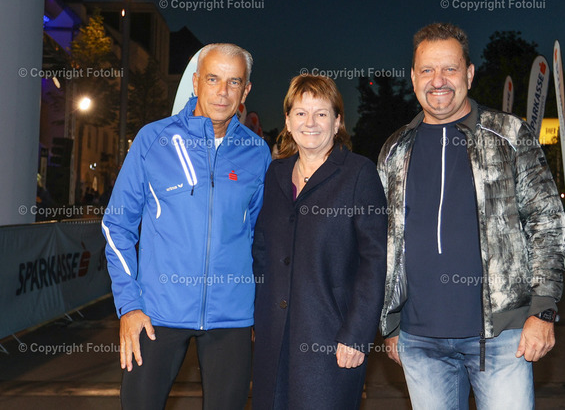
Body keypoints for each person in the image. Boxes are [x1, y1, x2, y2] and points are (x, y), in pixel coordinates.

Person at [377, 23, 565, 409]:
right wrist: (391, 321)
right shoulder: (395, 149)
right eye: (427, 70)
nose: (438, 80)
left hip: (503, 338)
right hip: (419, 340)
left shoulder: (510, 134)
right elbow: (385, 239)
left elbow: (546, 221)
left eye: (449, 68)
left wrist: (543, 309)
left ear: (469, 73)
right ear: (413, 77)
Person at [101, 43, 271, 410]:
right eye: (212, 79)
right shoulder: (153, 140)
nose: (222, 92)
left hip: (231, 317)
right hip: (156, 313)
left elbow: (259, 237)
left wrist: (261, 308)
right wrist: (129, 306)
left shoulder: (258, 152)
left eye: (234, 82)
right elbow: (117, 226)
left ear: (245, 91)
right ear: (195, 82)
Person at [251, 74, 387, 409]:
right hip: (273, 338)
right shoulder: (276, 174)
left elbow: (374, 262)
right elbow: (262, 250)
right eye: (300, 113)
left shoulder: (359, 174)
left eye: (321, 113)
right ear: (287, 121)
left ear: (338, 122)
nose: (310, 122)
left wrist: (357, 335)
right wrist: (259, 314)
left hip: (332, 340)